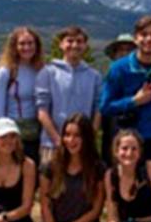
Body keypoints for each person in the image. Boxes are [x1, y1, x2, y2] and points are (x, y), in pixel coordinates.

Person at [35, 114, 105, 222]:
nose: (70, 140)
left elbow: (96, 210)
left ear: (87, 138)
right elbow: (45, 206)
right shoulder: (50, 166)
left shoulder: (97, 168)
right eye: (67, 134)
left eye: (77, 135)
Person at [99, 15, 151, 171]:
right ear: (136, 39)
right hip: (129, 142)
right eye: (144, 35)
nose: (149, 39)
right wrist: (133, 101)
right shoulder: (119, 69)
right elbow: (105, 106)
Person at [36, 25, 102, 166]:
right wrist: (57, 140)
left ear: (85, 45)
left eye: (79, 41)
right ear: (61, 44)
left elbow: (97, 110)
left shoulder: (94, 76)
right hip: (52, 144)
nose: (74, 45)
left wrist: (90, 139)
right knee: (50, 186)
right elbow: (42, 111)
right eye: (70, 41)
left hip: (83, 146)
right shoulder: (48, 73)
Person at [0, 26, 45, 162]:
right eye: (22, 43)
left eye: (30, 43)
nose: (26, 47)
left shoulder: (41, 70)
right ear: (14, 46)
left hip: (37, 133)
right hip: (14, 133)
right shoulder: (5, 73)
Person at [100, 32, 136, 163]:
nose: (125, 54)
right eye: (121, 50)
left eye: (129, 50)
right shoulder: (108, 79)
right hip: (111, 133)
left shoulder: (144, 79)